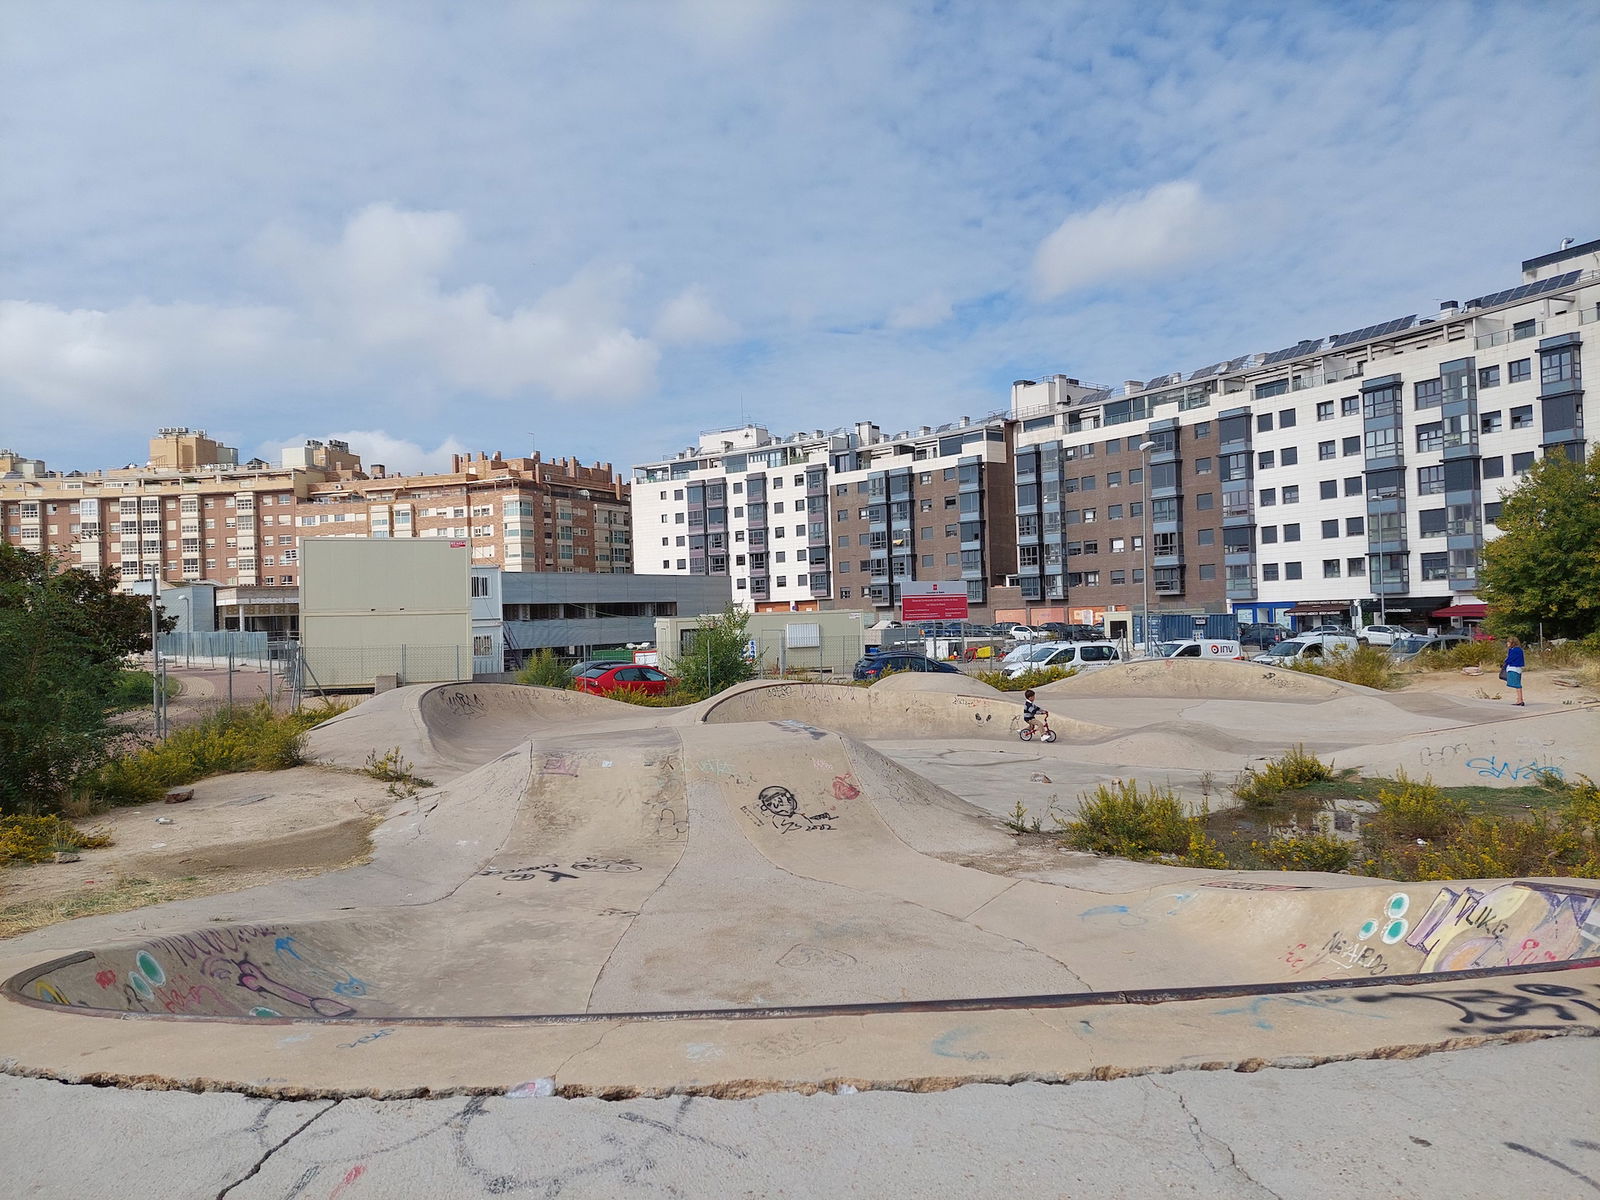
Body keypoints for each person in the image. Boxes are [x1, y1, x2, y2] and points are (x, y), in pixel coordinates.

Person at [1503, 636, 1525, 706]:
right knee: (1517, 684)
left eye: (1508, 642)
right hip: (1518, 668)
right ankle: (1519, 699)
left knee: (1517, 684)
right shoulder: (1519, 650)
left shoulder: (1514, 650)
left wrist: (1505, 661)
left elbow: (1510, 659)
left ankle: (1520, 700)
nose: (1507, 643)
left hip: (1514, 668)